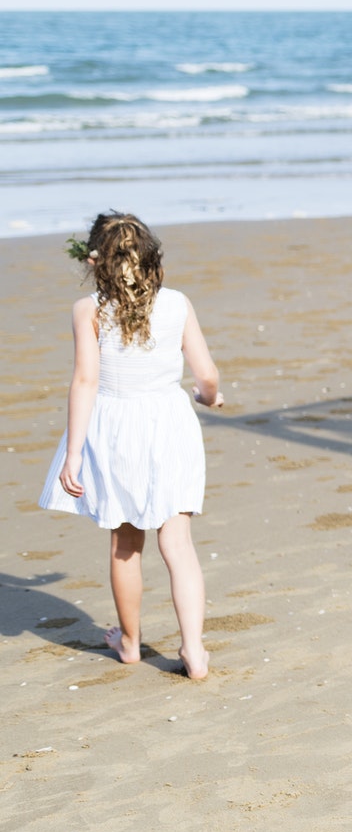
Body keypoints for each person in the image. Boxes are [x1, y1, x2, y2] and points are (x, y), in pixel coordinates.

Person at [37, 213, 223, 681]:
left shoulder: (89, 310)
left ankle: (130, 643)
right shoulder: (177, 303)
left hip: (116, 429)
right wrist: (209, 396)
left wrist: (74, 453)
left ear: (96, 259)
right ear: (151, 255)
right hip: (170, 425)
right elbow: (206, 373)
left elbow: (84, 381)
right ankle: (194, 651)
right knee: (177, 543)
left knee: (125, 543)